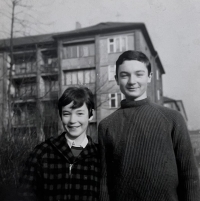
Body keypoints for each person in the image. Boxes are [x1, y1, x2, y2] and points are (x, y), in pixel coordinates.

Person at [98, 50, 200, 201]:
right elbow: (103, 182)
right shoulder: (106, 125)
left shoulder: (172, 119)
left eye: (139, 74)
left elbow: (189, 174)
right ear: (117, 79)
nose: (132, 81)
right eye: (125, 75)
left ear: (149, 77)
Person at [19, 86, 100, 201]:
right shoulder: (42, 152)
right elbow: (25, 195)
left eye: (80, 113)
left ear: (91, 115)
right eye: (66, 113)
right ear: (61, 116)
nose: (72, 120)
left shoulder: (99, 156)